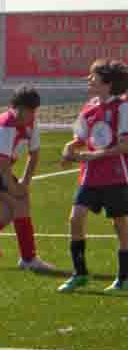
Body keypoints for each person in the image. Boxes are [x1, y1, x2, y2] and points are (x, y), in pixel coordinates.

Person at [0, 86, 54, 273]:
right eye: (25, 110)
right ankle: (28, 259)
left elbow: (34, 154)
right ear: (16, 108)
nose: (29, 115)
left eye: (32, 110)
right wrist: (13, 188)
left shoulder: (31, 123)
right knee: (18, 204)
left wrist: (25, 183)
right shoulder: (6, 125)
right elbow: (2, 163)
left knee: (8, 212)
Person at [57, 59, 128, 293]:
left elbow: (125, 146)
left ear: (108, 83)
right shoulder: (89, 107)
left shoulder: (122, 108)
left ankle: (124, 277)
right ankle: (80, 273)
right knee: (75, 218)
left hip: (116, 175)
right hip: (90, 176)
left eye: (93, 77)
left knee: (119, 223)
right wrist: (69, 148)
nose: (88, 80)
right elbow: (80, 138)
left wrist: (95, 155)